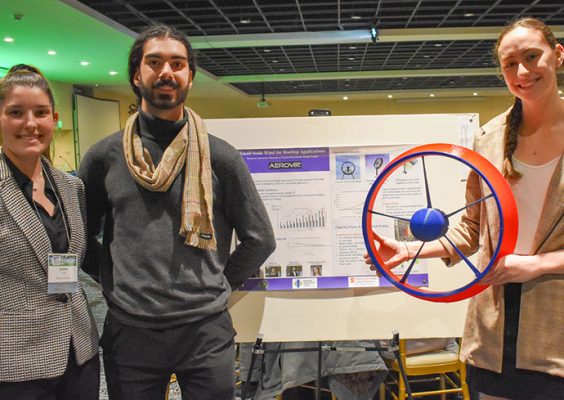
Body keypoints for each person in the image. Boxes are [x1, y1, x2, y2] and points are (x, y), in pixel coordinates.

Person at [365, 17, 563, 400]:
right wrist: (411, 250)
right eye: (509, 63)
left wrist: (537, 265)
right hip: (491, 334)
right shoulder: (489, 138)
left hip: (555, 334)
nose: (522, 71)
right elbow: (473, 230)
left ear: (557, 56)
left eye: (532, 56)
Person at [78, 25, 276, 400]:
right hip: (131, 331)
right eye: (154, 62)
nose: (166, 71)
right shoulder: (104, 157)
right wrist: (116, 280)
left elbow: (260, 238)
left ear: (190, 77)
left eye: (177, 63)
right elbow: (79, 236)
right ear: (137, 75)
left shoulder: (220, 157)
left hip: (205, 331)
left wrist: (216, 282)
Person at [0, 65, 99, 399]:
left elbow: (77, 261)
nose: (30, 123)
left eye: (40, 113)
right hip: (15, 362)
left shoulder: (72, 187)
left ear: (54, 119)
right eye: (16, 112)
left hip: (79, 349)